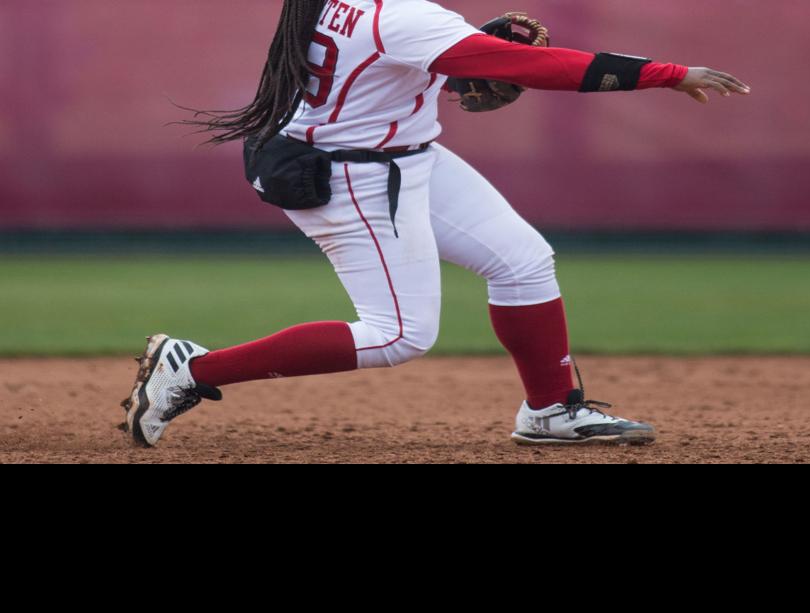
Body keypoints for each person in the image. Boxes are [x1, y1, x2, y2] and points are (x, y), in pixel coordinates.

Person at [124, 0, 750, 448]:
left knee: (523, 261)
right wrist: (667, 74)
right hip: (352, 178)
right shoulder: (400, 15)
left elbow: (393, 58)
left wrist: (466, 50)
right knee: (398, 335)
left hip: (401, 152)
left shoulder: (352, 5)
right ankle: (191, 368)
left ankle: (551, 412)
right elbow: (536, 68)